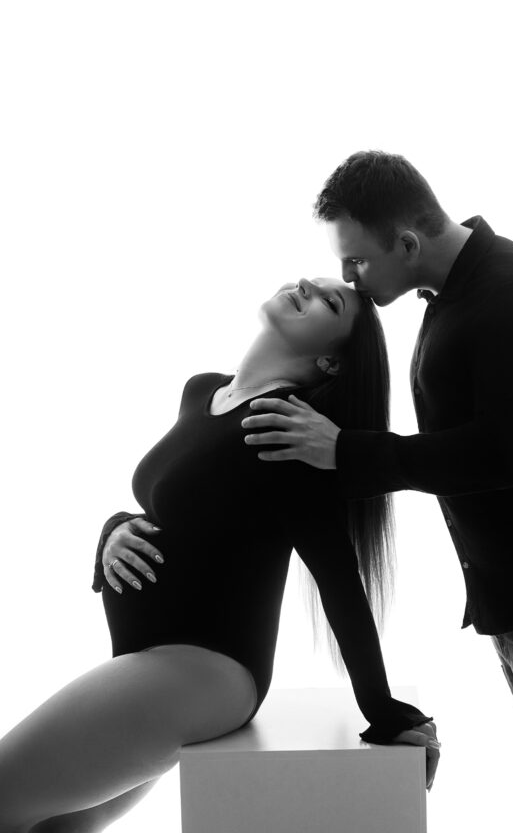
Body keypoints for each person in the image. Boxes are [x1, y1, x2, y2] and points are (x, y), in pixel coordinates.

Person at [240, 152, 513, 833]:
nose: (348, 276)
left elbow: (498, 455)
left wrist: (344, 449)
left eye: (356, 260)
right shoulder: (460, 294)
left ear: (407, 243)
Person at [0, 274, 439, 833]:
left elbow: (338, 579)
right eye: (312, 281)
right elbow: (185, 508)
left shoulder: (285, 429)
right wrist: (116, 528)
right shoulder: (202, 390)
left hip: (204, 671)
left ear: (331, 362)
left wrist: (382, 708)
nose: (306, 283)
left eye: (329, 302)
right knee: (50, 827)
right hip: (148, 663)